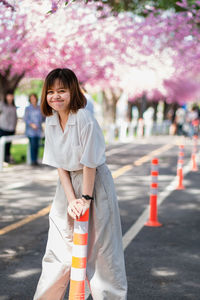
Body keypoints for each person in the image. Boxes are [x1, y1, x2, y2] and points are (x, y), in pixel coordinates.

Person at [33, 68, 127, 300]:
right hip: (66, 186)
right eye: (51, 92)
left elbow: (90, 163)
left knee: (102, 251)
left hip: (94, 182)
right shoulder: (51, 120)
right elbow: (60, 165)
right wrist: (71, 198)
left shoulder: (84, 118)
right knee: (58, 247)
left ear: (73, 91)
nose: (56, 96)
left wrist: (85, 198)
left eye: (62, 91)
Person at [24, 93, 44, 166]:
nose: (33, 100)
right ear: (30, 99)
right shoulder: (28, 108)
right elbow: (25, 119)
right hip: (31, 131)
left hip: (38, 130)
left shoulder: (39, 108)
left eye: (34, 98)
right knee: (33, 145)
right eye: (31, 98)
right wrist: (32, 125)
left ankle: (36, 160)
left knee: (37, 146)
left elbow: (43, 118)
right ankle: (33, 161)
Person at [0, 91, 17, 163]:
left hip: (11, 129)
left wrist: (15, 127)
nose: (10, 97)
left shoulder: (13, 106)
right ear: (6, 97)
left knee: (8, 146)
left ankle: (6, 160)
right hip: (3, 128)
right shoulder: (2, 105)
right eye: (8, 96)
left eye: (11, 96)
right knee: (2, 145)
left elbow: (15, 118)